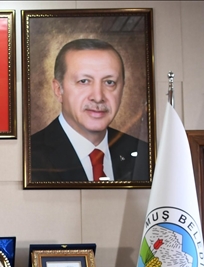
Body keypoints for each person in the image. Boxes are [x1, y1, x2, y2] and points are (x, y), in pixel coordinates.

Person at [30, 39, 150, 183]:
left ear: (122, 89)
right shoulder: (30, 157)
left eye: (109, 82)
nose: (98, 97)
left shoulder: (144, 155)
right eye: (84, 81)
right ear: (58, 90)